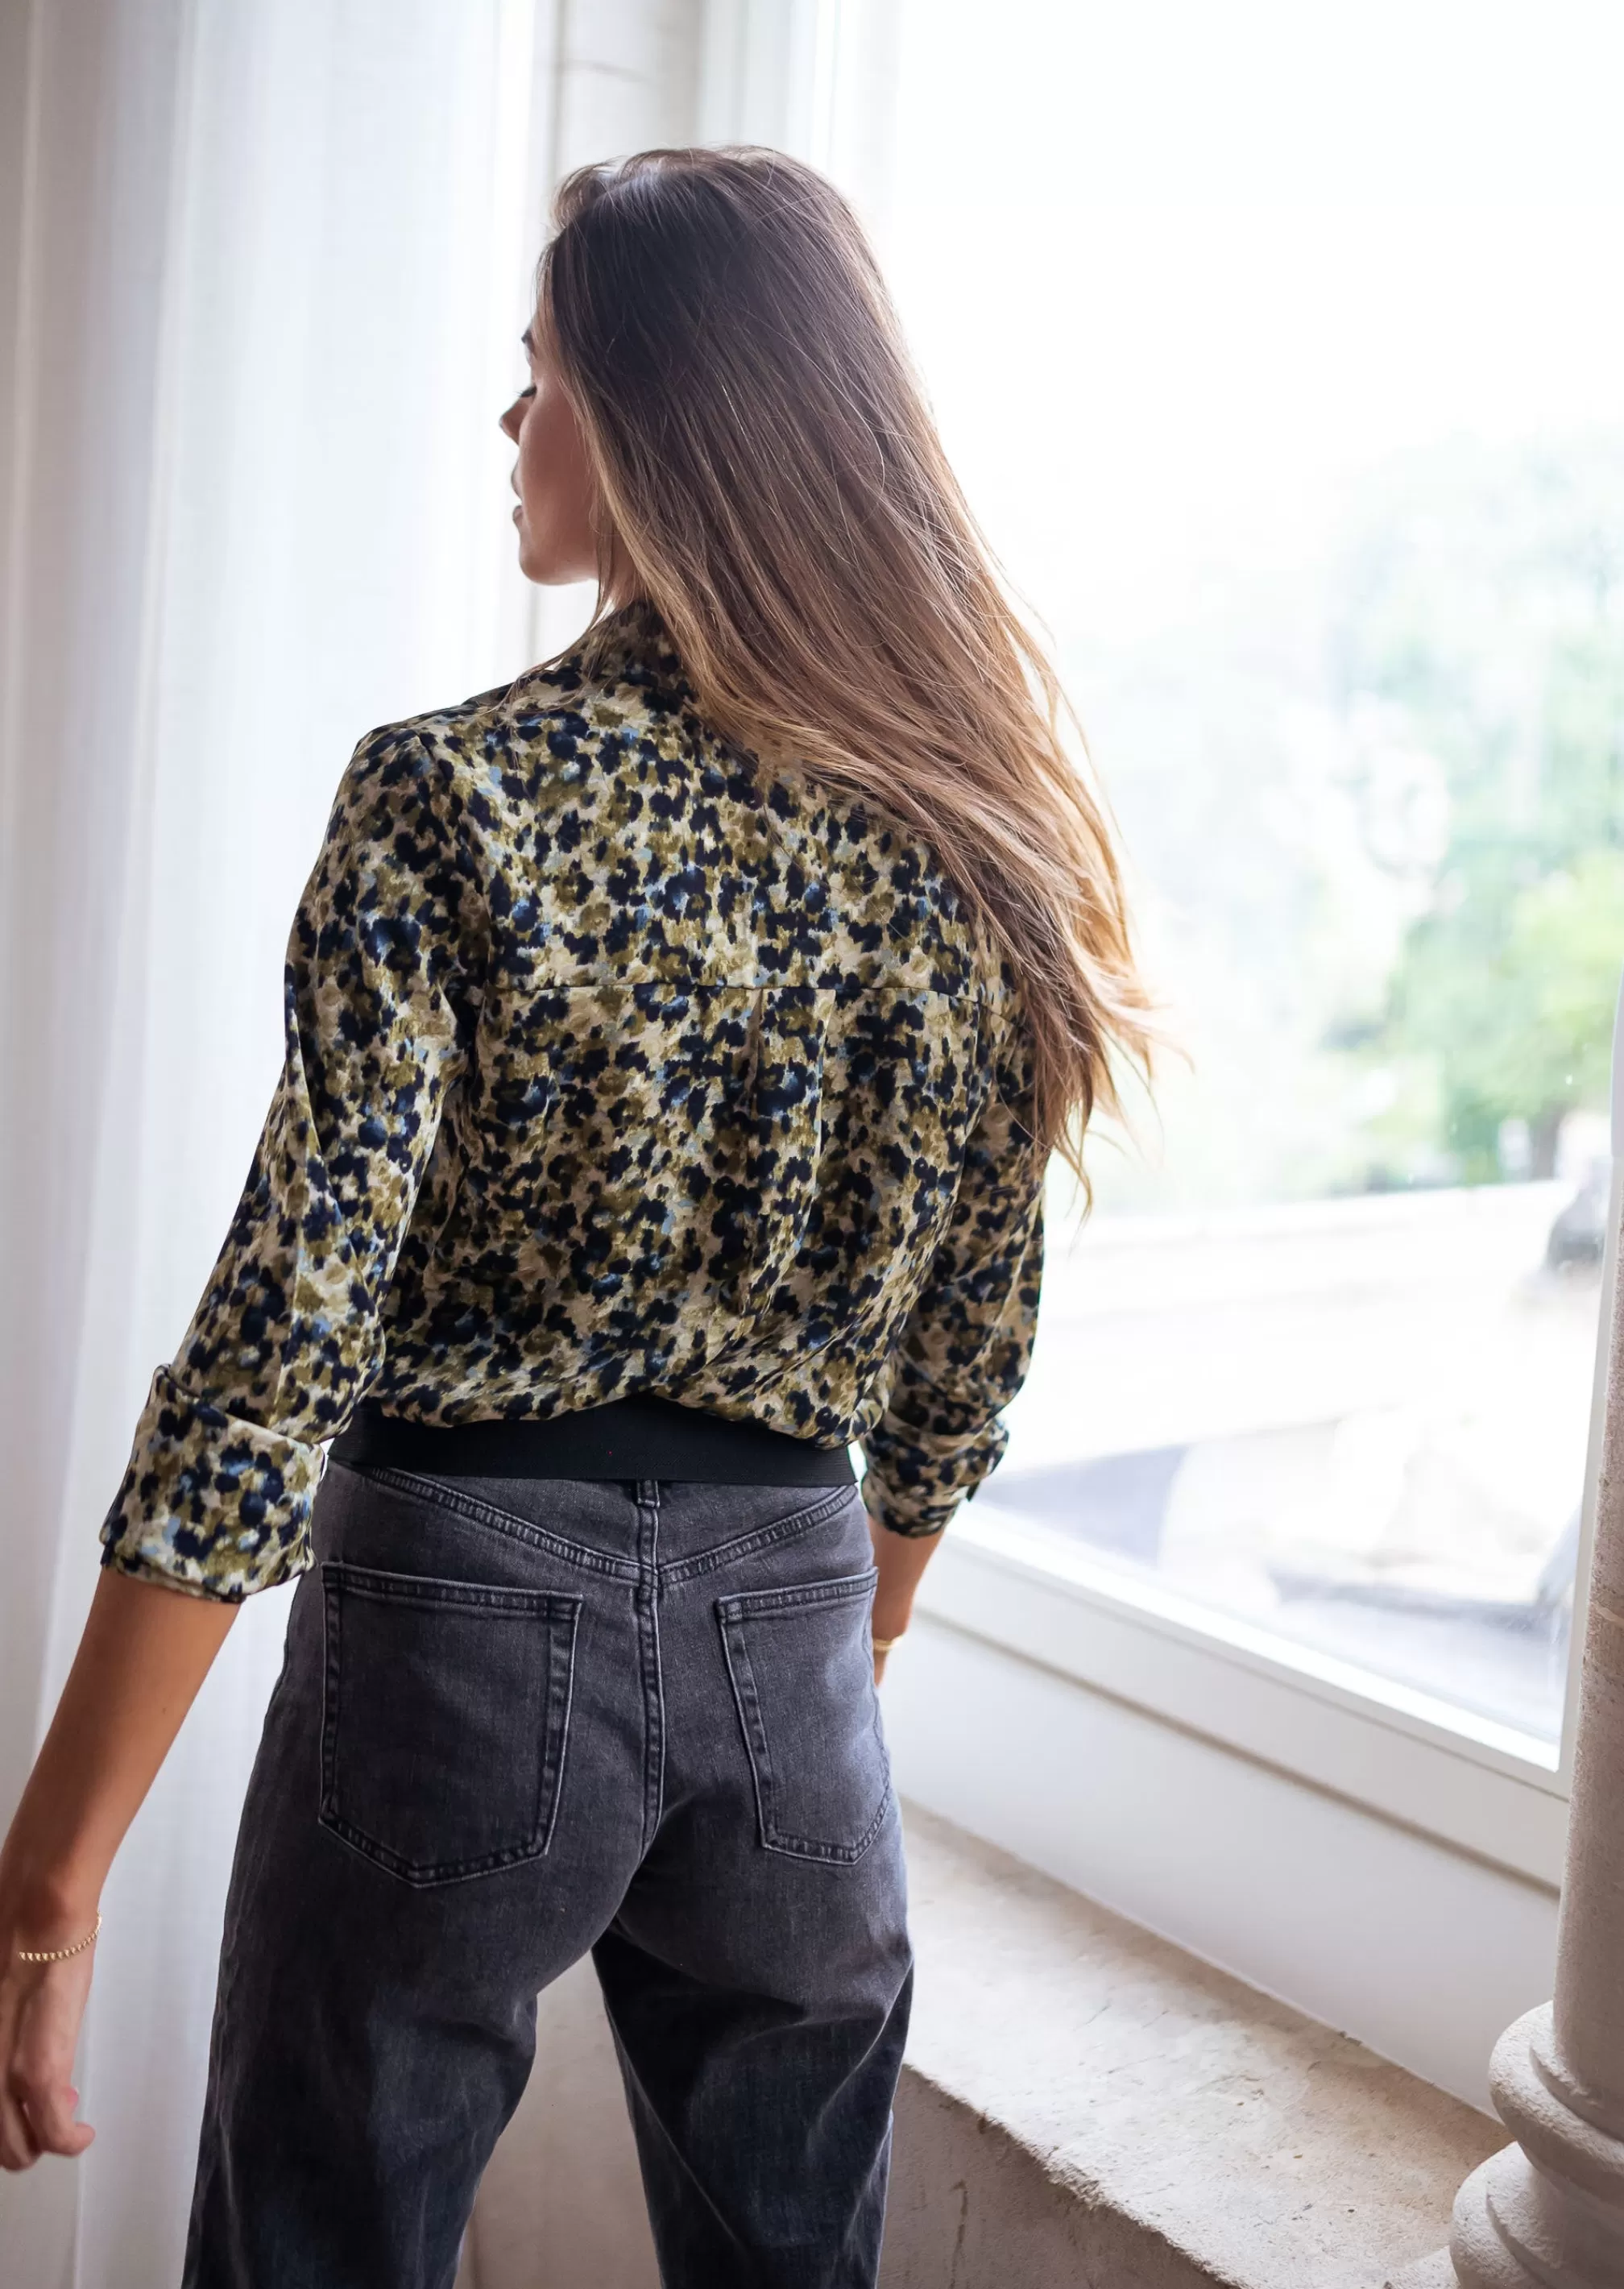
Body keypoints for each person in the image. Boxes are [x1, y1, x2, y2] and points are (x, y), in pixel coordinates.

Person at [0, 147, 1151, 2287]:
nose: (511, 418)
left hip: (456, 1618)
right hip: (797, 1631)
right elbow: (965, 1365)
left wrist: (51, 1882)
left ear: (650, 414)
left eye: (539, 372)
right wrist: (813, 1650)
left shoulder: (451, 798)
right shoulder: (967, 843)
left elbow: (282, 1338)